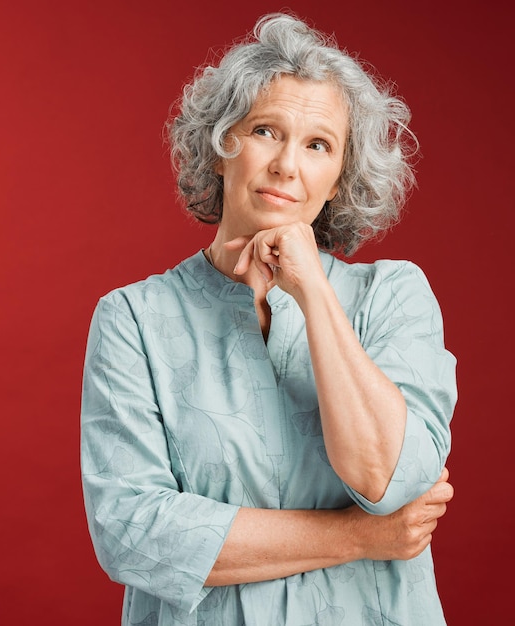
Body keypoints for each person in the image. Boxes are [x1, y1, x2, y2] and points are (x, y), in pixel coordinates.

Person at [80, 12, 457, 625]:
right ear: (221, 146)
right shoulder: (133, 319)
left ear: (339, 178)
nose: (287, 165)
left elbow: (389, 481)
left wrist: (313, 292)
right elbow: (134, 533)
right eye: (264, 130)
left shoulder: (395, 296)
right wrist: (359, 538)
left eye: (318, 145)